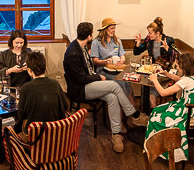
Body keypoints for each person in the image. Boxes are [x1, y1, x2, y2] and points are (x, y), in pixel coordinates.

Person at [64, 21, 142, 153]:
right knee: (114, 85)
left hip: (88, 83)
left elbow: (88, 70)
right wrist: (99, 77)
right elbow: (80, 79)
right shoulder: (73, 53)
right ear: (89, 36)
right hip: (80, 89)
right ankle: (134, 114)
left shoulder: (82, 46)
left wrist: (96, 76)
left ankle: (116, 134)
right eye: (92, 33)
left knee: (112, 97)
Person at [144, 53, 194, 162]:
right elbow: (179, 79)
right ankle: (158, 143)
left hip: (188, 109)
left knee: (157, 117)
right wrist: (166, 73)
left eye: (178, 66)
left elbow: (163, 93)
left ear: (184, 67)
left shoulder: (186, 80)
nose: (177, 68)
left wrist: (155, 80)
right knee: (157, 109)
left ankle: (159, 147)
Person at [17, 51, 69, 138]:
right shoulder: (55, 84)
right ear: (45, 67)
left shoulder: (26, 87)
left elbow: (21, 116)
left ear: (29, 70)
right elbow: (65, 105)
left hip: (34, 135)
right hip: (55, 132)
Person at [133, 16, 176, 108]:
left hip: (165, 72)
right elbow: (136, 52)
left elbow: (177, 55)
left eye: (150, 32)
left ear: (158, 33)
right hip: (153, 70)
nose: (148, 35)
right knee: (145, 81)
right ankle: (146, 109)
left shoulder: (168, 40)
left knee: (151, 84)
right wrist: (138, 45)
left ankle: (153, 110)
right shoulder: (149, 40)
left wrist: (167, 49)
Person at [90, 17, 131, 97]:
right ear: (105, 29)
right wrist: (105, 61)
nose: (114, 30)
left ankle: (128, 103)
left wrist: (122, 60)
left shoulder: (117, 40)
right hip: (103, 71)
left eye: (114, 28)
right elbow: (95, 61)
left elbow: (122, 55)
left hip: (117, 69)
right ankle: (126, 103)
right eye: (112, 28)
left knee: (126, 80)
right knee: (121, 81)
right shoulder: (96, 42)